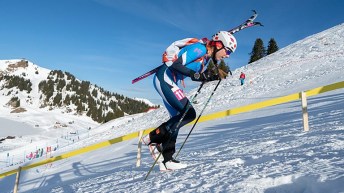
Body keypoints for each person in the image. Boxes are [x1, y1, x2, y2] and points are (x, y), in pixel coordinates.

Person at [143, 31, 237, 171]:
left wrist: (209, 77)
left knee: (177, 119)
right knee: (188, 114)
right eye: (228, 50)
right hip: (164, 78)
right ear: (218, 44)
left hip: (169, 80)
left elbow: (194, 75)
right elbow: (176, 65)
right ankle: (152, 138)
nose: (227, 55)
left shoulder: (205, 57)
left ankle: (167, 160)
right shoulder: (200, 49)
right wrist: (198, 75)